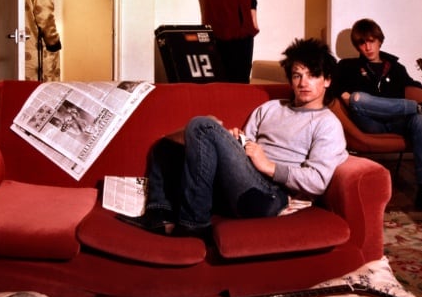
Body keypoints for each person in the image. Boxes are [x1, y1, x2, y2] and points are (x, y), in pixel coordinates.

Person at [121, 37, 348, 239]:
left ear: (326, 80)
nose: (303, 83)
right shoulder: (270, 108)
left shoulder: (327, 124)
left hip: (268, 195)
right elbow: (245, 145)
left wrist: (269, 166)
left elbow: (317, 180)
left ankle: (193, 224)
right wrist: (232, 141)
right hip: (238, 183)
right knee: (166, 146)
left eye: (312, 75)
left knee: (202, 125)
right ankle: (160, 215)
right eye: (297, 75)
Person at [333, 18, 422, 218]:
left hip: (396, 121)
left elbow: (413, 86)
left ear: (380, 41)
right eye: (362, 43)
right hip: (369, 125)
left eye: (371, 41)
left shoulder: (395, 67)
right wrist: (343, 94)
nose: (367, 47)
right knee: (358, 98)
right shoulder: (347, 66)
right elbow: (330, 84)